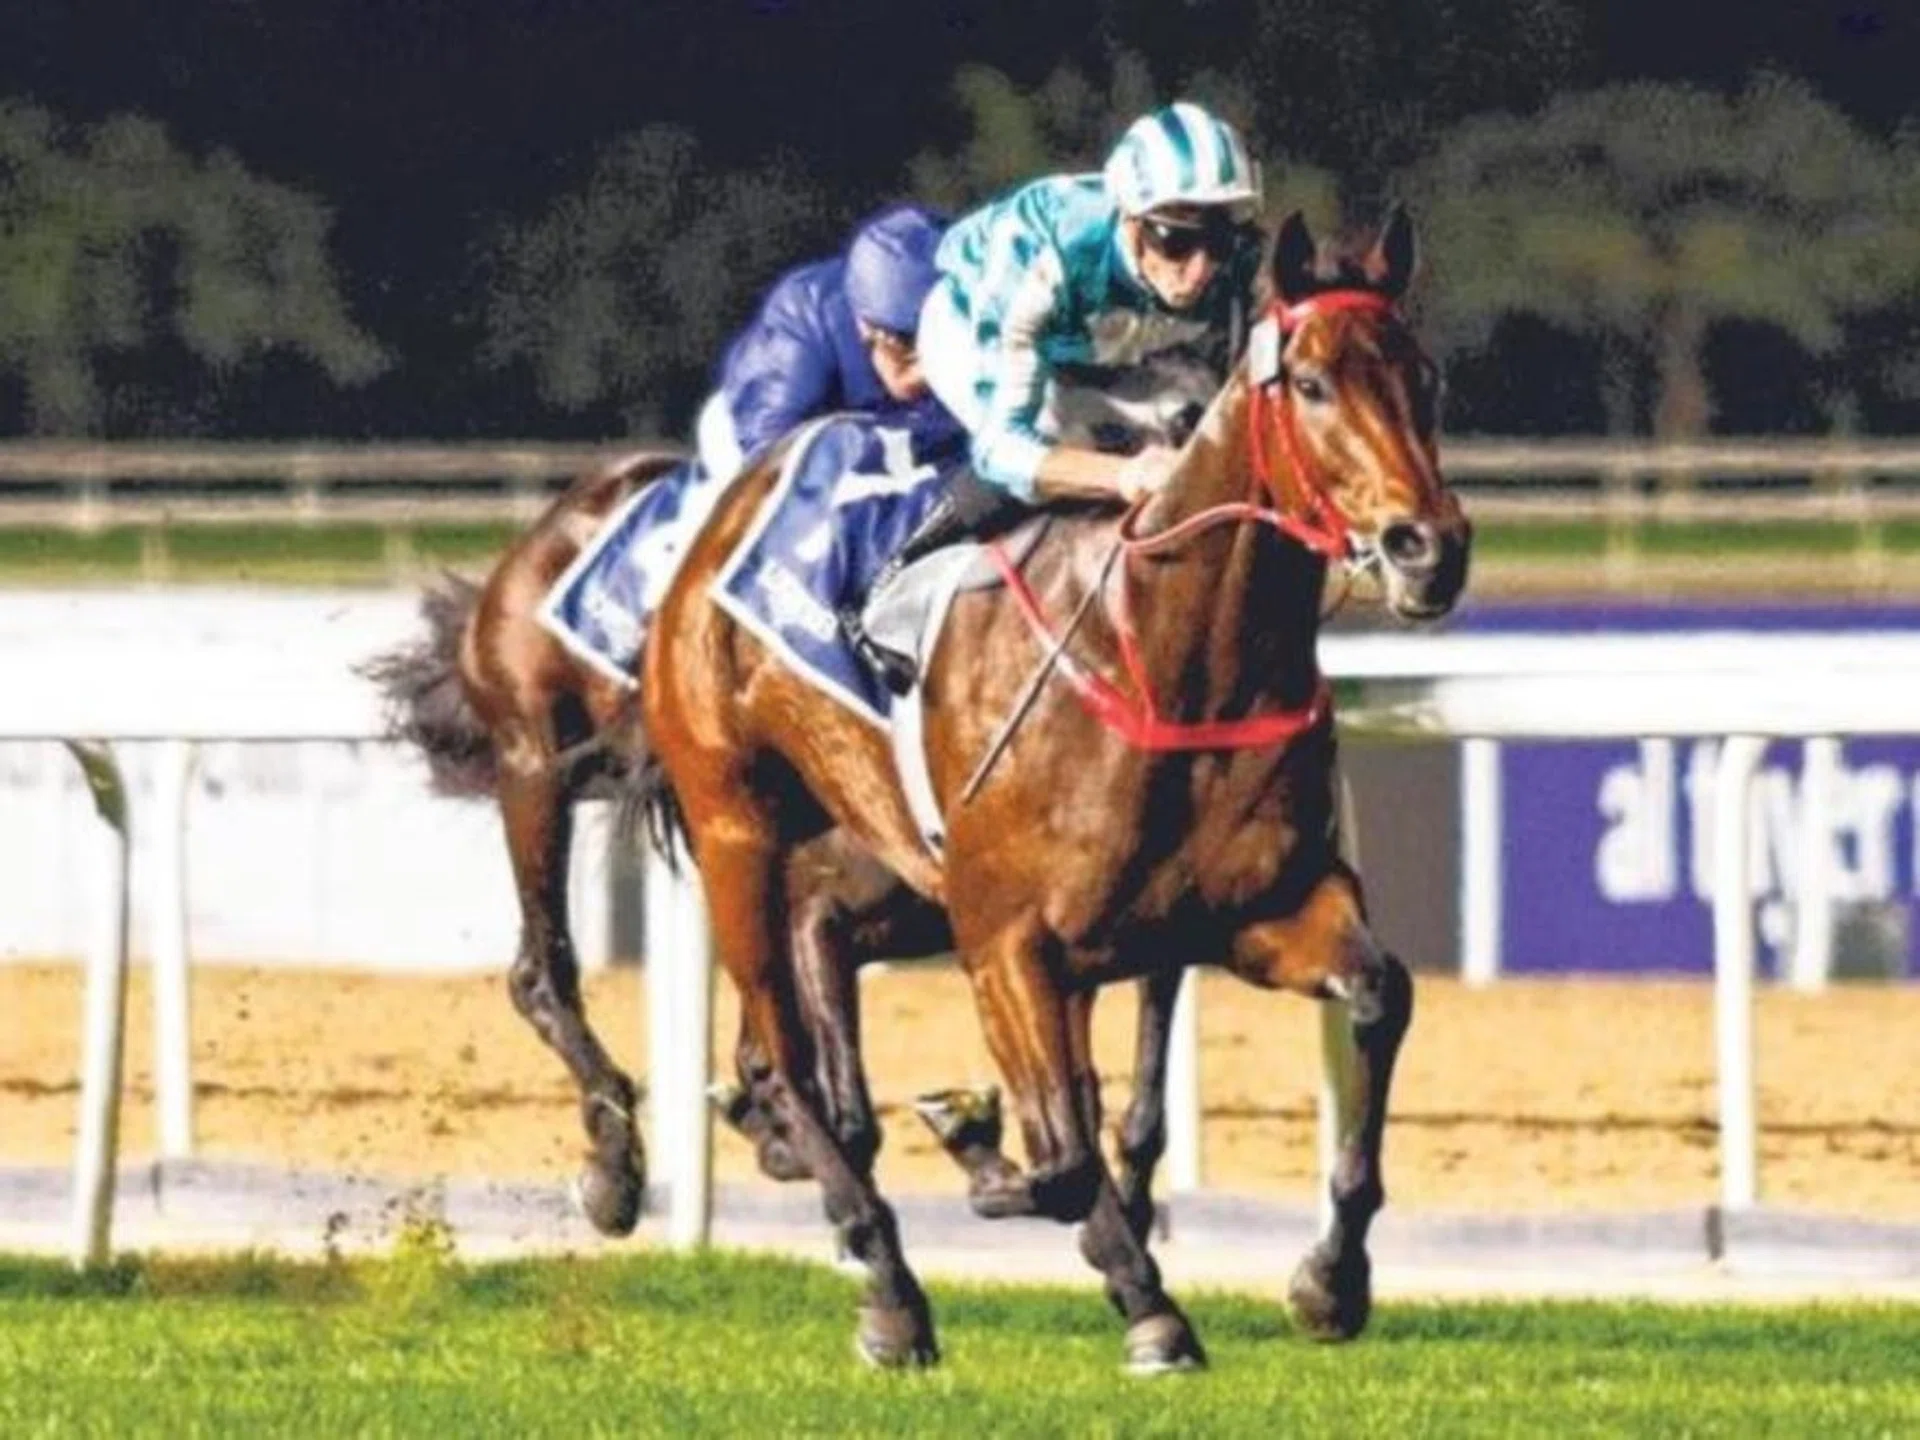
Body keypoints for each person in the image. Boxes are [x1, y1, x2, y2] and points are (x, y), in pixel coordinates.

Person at [846, 101, 1265, 691]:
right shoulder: (1042, 249)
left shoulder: (1237, 260)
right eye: (1175, 240)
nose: (1199, 270)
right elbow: (1004, 451)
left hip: (1103, 335)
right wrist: (1124, 476)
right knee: (1057, 439)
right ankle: (893, 581)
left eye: (1218, 243)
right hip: (973, 326)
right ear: (1130, 219)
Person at [695, 202, 958, 481]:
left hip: (891, 438)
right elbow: (772, 473)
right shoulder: (803, 322)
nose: (927, 370)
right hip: (749, 437)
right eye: (909, 344)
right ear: (866, 328)